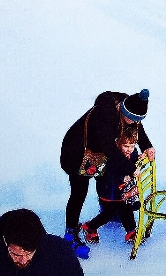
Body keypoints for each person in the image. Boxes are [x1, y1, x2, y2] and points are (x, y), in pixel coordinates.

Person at [60, 90, 154, 247]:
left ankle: (110, 208)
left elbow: (137, 126)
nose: (132, 122)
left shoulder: (129, 105)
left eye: (136, 119)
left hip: (101, 153)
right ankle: (71, 230)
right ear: (123, 109)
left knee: (105, 180)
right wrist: (130, 168)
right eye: (129, 118)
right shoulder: (104, 115)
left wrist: (147, 146)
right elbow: (110, 148)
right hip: (77, 152)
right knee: (79, 191)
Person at [0, 208, 84, 275]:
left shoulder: (61, 253)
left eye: (30, 253)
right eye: (16, 254)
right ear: (5, 242)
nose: (23, 260)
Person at [81, 125, 141, 247]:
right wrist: (122, 177)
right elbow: (110, 171)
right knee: (108, 213)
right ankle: (90, 226)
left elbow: (133, 161)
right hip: (111, 191)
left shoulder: (132, 152)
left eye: (132, 146)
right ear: (118, 143)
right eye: (126, 146)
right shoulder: (113, 155)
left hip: (123, 191)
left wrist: (139, 160)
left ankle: (131, 231)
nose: (129, 149)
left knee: (126, 208)